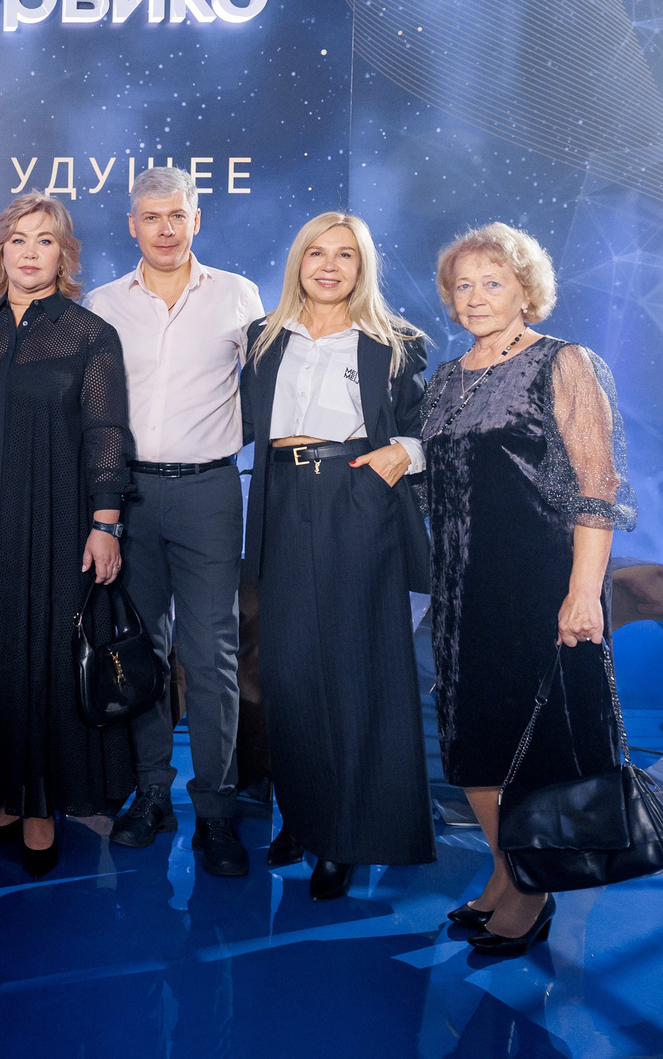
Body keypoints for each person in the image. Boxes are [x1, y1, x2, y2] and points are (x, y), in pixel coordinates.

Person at [422, 222, 635, 956]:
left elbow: (597, 484)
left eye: (493, 282)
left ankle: (531, 887)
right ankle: (506, 869)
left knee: (529, 739)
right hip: (460, 587)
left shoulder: (562, 362)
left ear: (525, 291)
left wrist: (584, 592)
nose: (476, 297)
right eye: (463, 285)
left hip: (536, 581)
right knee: (471, 738)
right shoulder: (448, 376)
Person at [239, 212, 436, 901]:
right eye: (316, 253)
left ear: (362, 266)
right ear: (298, 261)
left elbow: (430, 427)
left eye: (345, 255)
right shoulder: (263, 338)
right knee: (288, 673)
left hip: (356, 496)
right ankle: (303, 815)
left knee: (353, 671)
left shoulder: (395, 343)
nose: (328, 266)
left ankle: (346, 836)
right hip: (280, 497)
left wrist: (401, 454)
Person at [85, 164, 263, 878]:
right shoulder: (103, 303)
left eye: (177, 215)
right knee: (143, 650)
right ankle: (152, 792)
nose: (165, 229)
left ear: (197, 220)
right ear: (132, 225)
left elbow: (267, 390)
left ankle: (216, 808)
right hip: (127, 495)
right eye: (152, 216)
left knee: (212, 653)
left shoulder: (237, 296)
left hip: (209, 491)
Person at [0, 193, 136, 877]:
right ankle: (5, 797)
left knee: (48, 658)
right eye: (18, 240)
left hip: (59, 521)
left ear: (65, 255)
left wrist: (105, 522)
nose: (30, 252)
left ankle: (39, 810)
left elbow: (106, 432)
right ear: (0, 253)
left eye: (45, 240)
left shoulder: (90, 334)